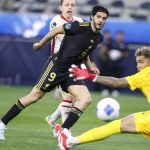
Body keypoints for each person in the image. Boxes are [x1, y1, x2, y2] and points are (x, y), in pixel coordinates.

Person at [0, 6, 109, 141]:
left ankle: (63, 131)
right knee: (34, 97)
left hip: (71, 71)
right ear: (92, 17)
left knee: (85, 99)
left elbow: (85, 53)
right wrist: (40, 44)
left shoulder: (99, 37)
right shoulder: (78, 26)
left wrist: (91, 66)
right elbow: (56, 30)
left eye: (104, 19)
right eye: (98, 17)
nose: (101, 21)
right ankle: (1, 124)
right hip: (57, 67)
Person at [59, 46, 150, 149]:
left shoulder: (146, 74)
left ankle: (69, 142)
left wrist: (90, 76)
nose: (138, 66)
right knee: (116, 125)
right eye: (137, 62)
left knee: (114, 126)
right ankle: (70, 142)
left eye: (141, 62)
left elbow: (118, 83)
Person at [45, 0, 83, 130]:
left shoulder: (79, 20)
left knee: (73, 100)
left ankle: (53, 119)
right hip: (58, 63)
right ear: (61, 7)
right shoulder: (56, 20)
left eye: (72, 5)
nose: (70, 7)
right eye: (67, 4)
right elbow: (61, 37)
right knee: (68, 98)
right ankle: (65, 132)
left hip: (72, 64)